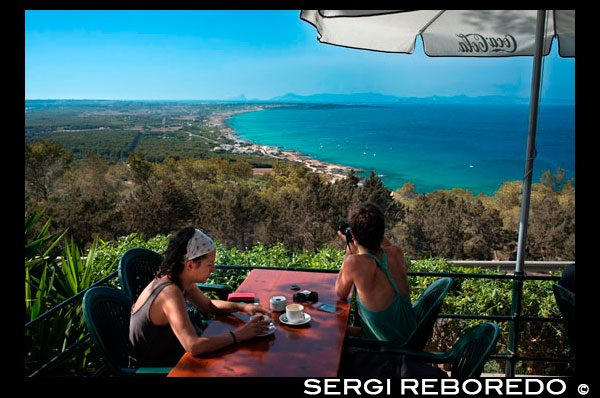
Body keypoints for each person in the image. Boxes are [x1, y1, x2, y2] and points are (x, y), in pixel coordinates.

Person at [129, 227, 272, 367]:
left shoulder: (179, 278)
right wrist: (239, 335)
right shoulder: (170, 293)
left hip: (173, 353)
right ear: (190, 265)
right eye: (209, 265)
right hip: (159, 367)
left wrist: (243, 307)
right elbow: (193, 346)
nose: (213, 269)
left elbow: (208, 306)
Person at [335, 202, 417, 343]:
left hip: (387, 349)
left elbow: (340, 293)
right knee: (340, 332)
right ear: (382, 232)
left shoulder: (354, 263)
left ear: (353, 234)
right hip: (409, 338)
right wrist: (369, 234)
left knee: (331, 334)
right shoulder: (396, 253)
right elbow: (383, 245)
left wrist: (349, 246)